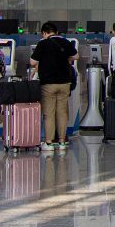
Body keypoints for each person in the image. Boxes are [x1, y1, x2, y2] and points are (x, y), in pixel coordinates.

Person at [30, 21, 77, 151]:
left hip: (48, 84)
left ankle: (49, 143)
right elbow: (76, 56)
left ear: (45, 33)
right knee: (62, 113)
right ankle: (62, 142)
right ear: (56, 32)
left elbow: (32, 61)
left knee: (49, 114)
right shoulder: (65, 42)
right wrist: (64, 59)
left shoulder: (43, 43)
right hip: (65, 83)